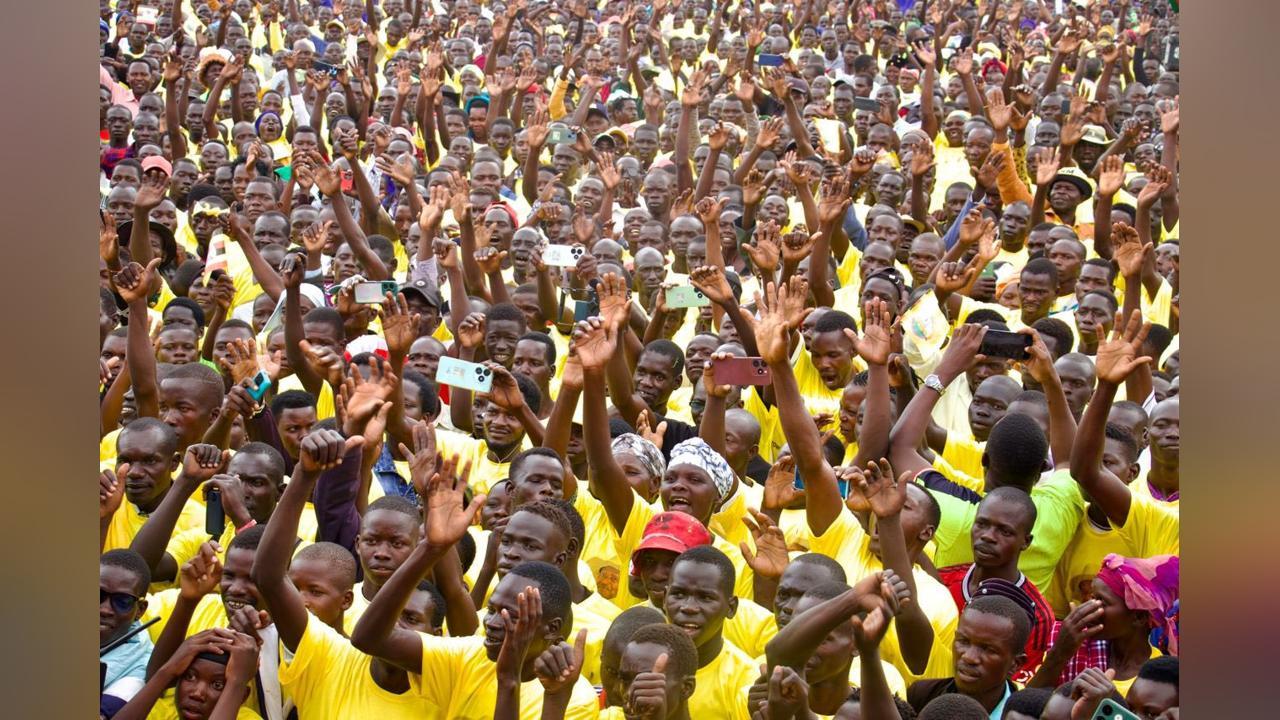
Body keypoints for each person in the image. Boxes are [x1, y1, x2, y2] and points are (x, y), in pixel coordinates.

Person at [907, 595, 1030, 718]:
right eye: (963, 641)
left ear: (1016, 664)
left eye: (989, 649)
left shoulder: (1029, 715)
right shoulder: (921, 696)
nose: (969, 657)